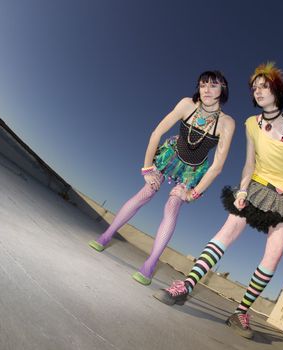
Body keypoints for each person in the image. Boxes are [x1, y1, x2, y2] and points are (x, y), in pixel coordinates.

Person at [154, 62, 283, 339]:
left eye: (264, 86)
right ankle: (186, 285)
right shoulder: (251, 124)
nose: (258, 91)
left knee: (276, 250)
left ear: (277, 89)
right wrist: (242, 190)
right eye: (254, 88)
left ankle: (240, 311)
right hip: (256, 186)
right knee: (229, 230)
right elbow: (250, 162)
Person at [88, 71, 235, 286]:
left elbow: (217, 167)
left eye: (213, 85)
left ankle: (150, 265)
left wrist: (191, 194)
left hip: (193, 171)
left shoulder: (227, 123)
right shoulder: (187, 104)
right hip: (171, 154)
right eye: (203, 85)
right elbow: (157, 133)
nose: (206, 90)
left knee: (172, 205)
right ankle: (106, 236)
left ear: (223, 90)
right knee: (146, 191)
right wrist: (147, 169)